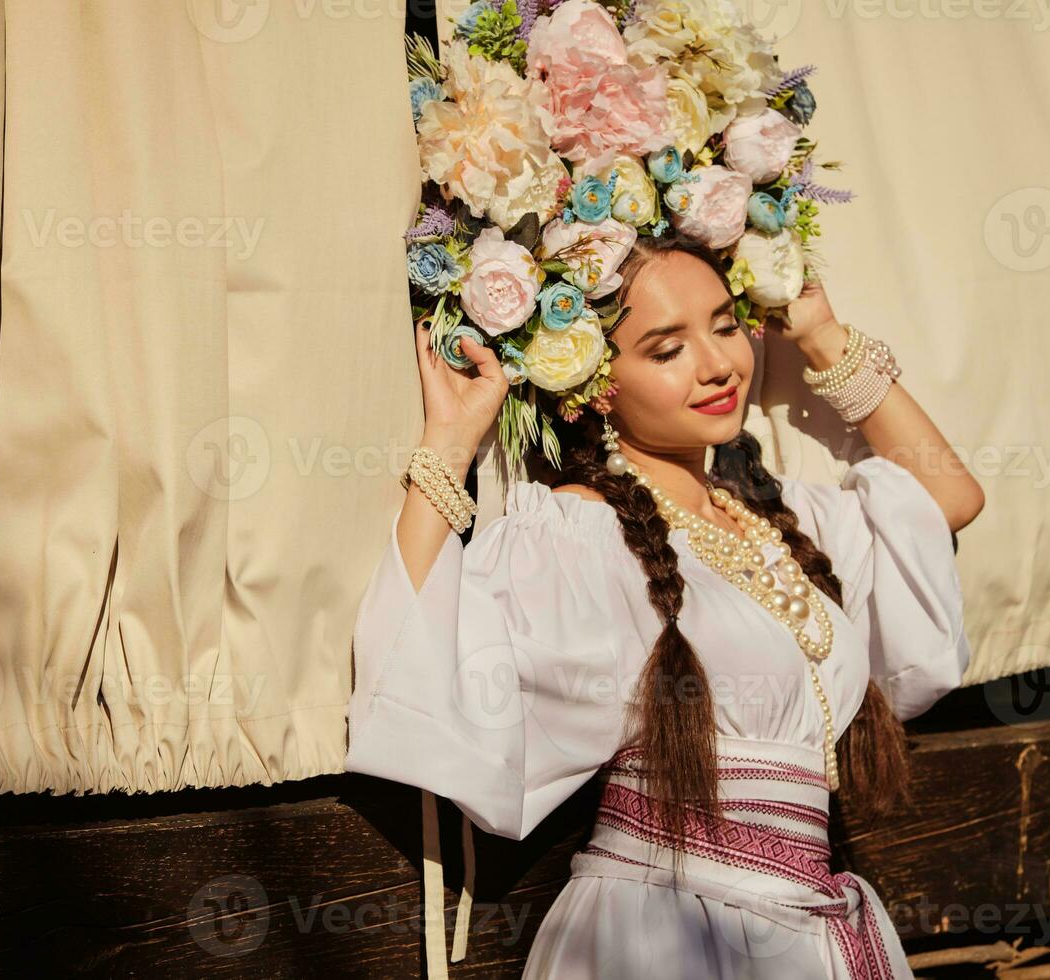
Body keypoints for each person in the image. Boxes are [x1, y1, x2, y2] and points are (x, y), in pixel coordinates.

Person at [345, 229, 985, 978]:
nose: (719, 366)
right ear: (597, 380)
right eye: (666, 348)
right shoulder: (582, 536)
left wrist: (821, 335)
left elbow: (947, 495)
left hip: (807, 927)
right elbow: (430, 653)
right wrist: (450, 444)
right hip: (666, 932)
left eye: (724, 326)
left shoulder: (776, 520)